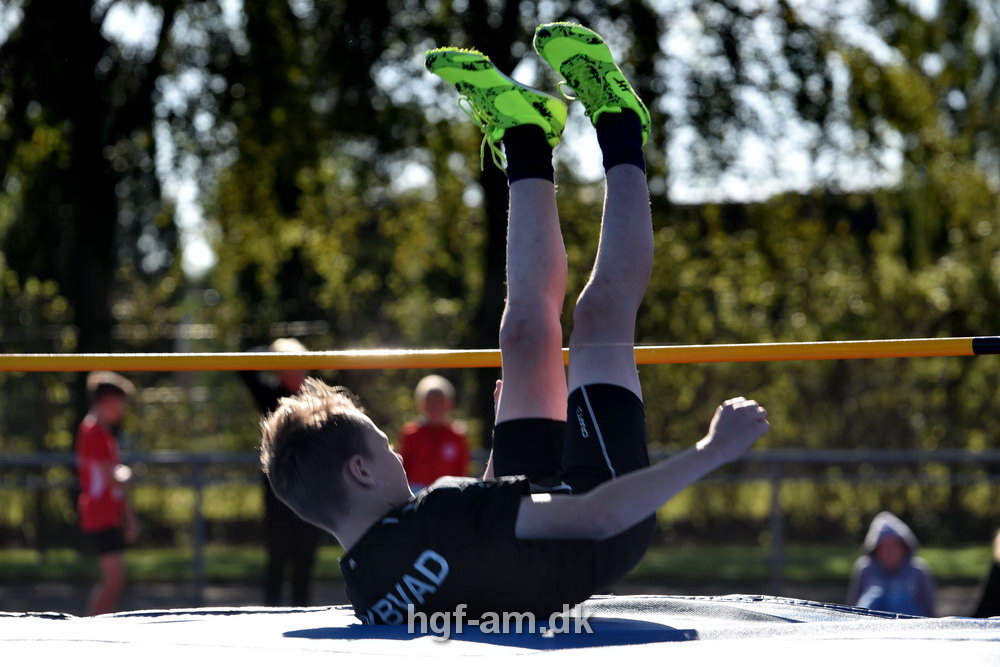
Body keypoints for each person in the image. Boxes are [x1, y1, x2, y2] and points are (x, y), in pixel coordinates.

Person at [258, 22, 770, 625]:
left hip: (538, 505)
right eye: (384, 444)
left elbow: (473, 561)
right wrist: (713, 451)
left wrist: (502, 452)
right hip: (600, 523)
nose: (397, 452)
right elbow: (593, 519)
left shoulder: (368, 588)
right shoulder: (426, 524)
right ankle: (619, 120)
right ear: (361, 470)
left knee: (523, 334)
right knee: (599, 317)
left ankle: (526, 137)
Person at [239, 337, 323, 607]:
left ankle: (302, 610)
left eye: (301, 367)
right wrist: (272, 351)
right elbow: (242, 367)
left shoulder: (317, 397)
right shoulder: (269, 395)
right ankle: (271, 610)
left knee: (305, 557)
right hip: (278, 486)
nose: (298, 374)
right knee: (276, 555)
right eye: (290, 367)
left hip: (310, 486)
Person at [75, 370, 138, 615]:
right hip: (99, 512)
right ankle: (92, 627)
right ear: (108, 400)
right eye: (120, 402)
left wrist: (128, 515)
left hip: (106, 511)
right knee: (114, 579)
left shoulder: (100, 432)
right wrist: (126, 474)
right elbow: (113, 477)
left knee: (115, 580)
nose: (122, 409)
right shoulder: (94, 432)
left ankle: (96, 624)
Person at [846, 511, 936, 616]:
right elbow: (852, 605)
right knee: (873, 597)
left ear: (903, 547)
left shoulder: (917, 570)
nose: (889, 552)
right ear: (876, 549)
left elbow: (928, 607)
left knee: (898, 599)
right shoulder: (865, 568)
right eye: (885, 547)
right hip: (872, 626)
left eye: (894, 546)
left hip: (910, 627)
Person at [399, 375, 471, 491]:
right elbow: (403, 467)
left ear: (449, 404)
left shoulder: (457, 435)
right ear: (421, 404)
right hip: (415, 492)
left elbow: (461, 471)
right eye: (430, 402)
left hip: (447, 492)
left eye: (439, 402)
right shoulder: (411, 433)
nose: (434, 406)